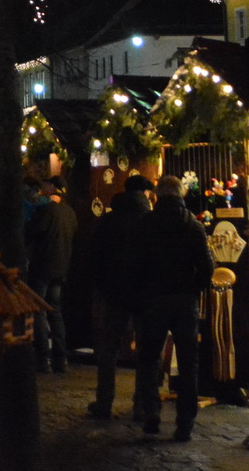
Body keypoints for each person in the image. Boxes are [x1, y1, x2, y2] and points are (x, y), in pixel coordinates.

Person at [130, 175, 213, 441]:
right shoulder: (193, 225)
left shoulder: (145, 224)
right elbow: (207, 267)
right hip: (185, 301)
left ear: (157, 195)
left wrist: (142, 292)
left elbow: (135, 264)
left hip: (153, 300)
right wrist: (193, 287)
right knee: (189, 363)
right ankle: (184, 423)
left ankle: (151, 413)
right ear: (180, 194)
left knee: (148, 358)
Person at [86, 173, 153, 418]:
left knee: (109, 348)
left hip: (114, 292)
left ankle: (104, 401)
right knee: (147, 350)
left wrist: (102, 286)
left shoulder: (109, 220)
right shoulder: (150, 221)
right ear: (145, 194)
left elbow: (94, 256)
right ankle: (142, 404)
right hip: (145, 293)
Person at [25, 178, 78, 373]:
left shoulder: (46, 211)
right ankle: (60, 358)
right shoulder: (70, 212)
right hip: (61, 267)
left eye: (46, 185)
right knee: (55, 311)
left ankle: (42, 357)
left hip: (43, 266)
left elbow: (31, 232)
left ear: (52, 188)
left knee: (39, 310)